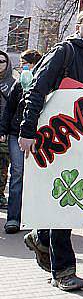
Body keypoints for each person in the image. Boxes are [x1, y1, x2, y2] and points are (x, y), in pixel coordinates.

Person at [19, 8, 83, 292]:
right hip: (55, 137)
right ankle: (63, 270)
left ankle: (41, 236)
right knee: (63, 204)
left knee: (67, 202)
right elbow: (36, 90)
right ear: (78, 25)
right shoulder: (64, 52)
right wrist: (27, 130)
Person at [0, 48, 42, 233]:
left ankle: (32, 217)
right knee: (17, 174)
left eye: (27, 63)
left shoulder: (44, 84)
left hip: (38, 137)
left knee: (35, 177)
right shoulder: (18, 85)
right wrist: (3, 129)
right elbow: (9, 109)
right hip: (16, 134)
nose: (24, 67)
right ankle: (14, 218)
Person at [0, 50, 15, 210]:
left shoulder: (13, 83)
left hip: (5, 131)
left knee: (3, 166)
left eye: (2, 61)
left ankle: (0, 194)